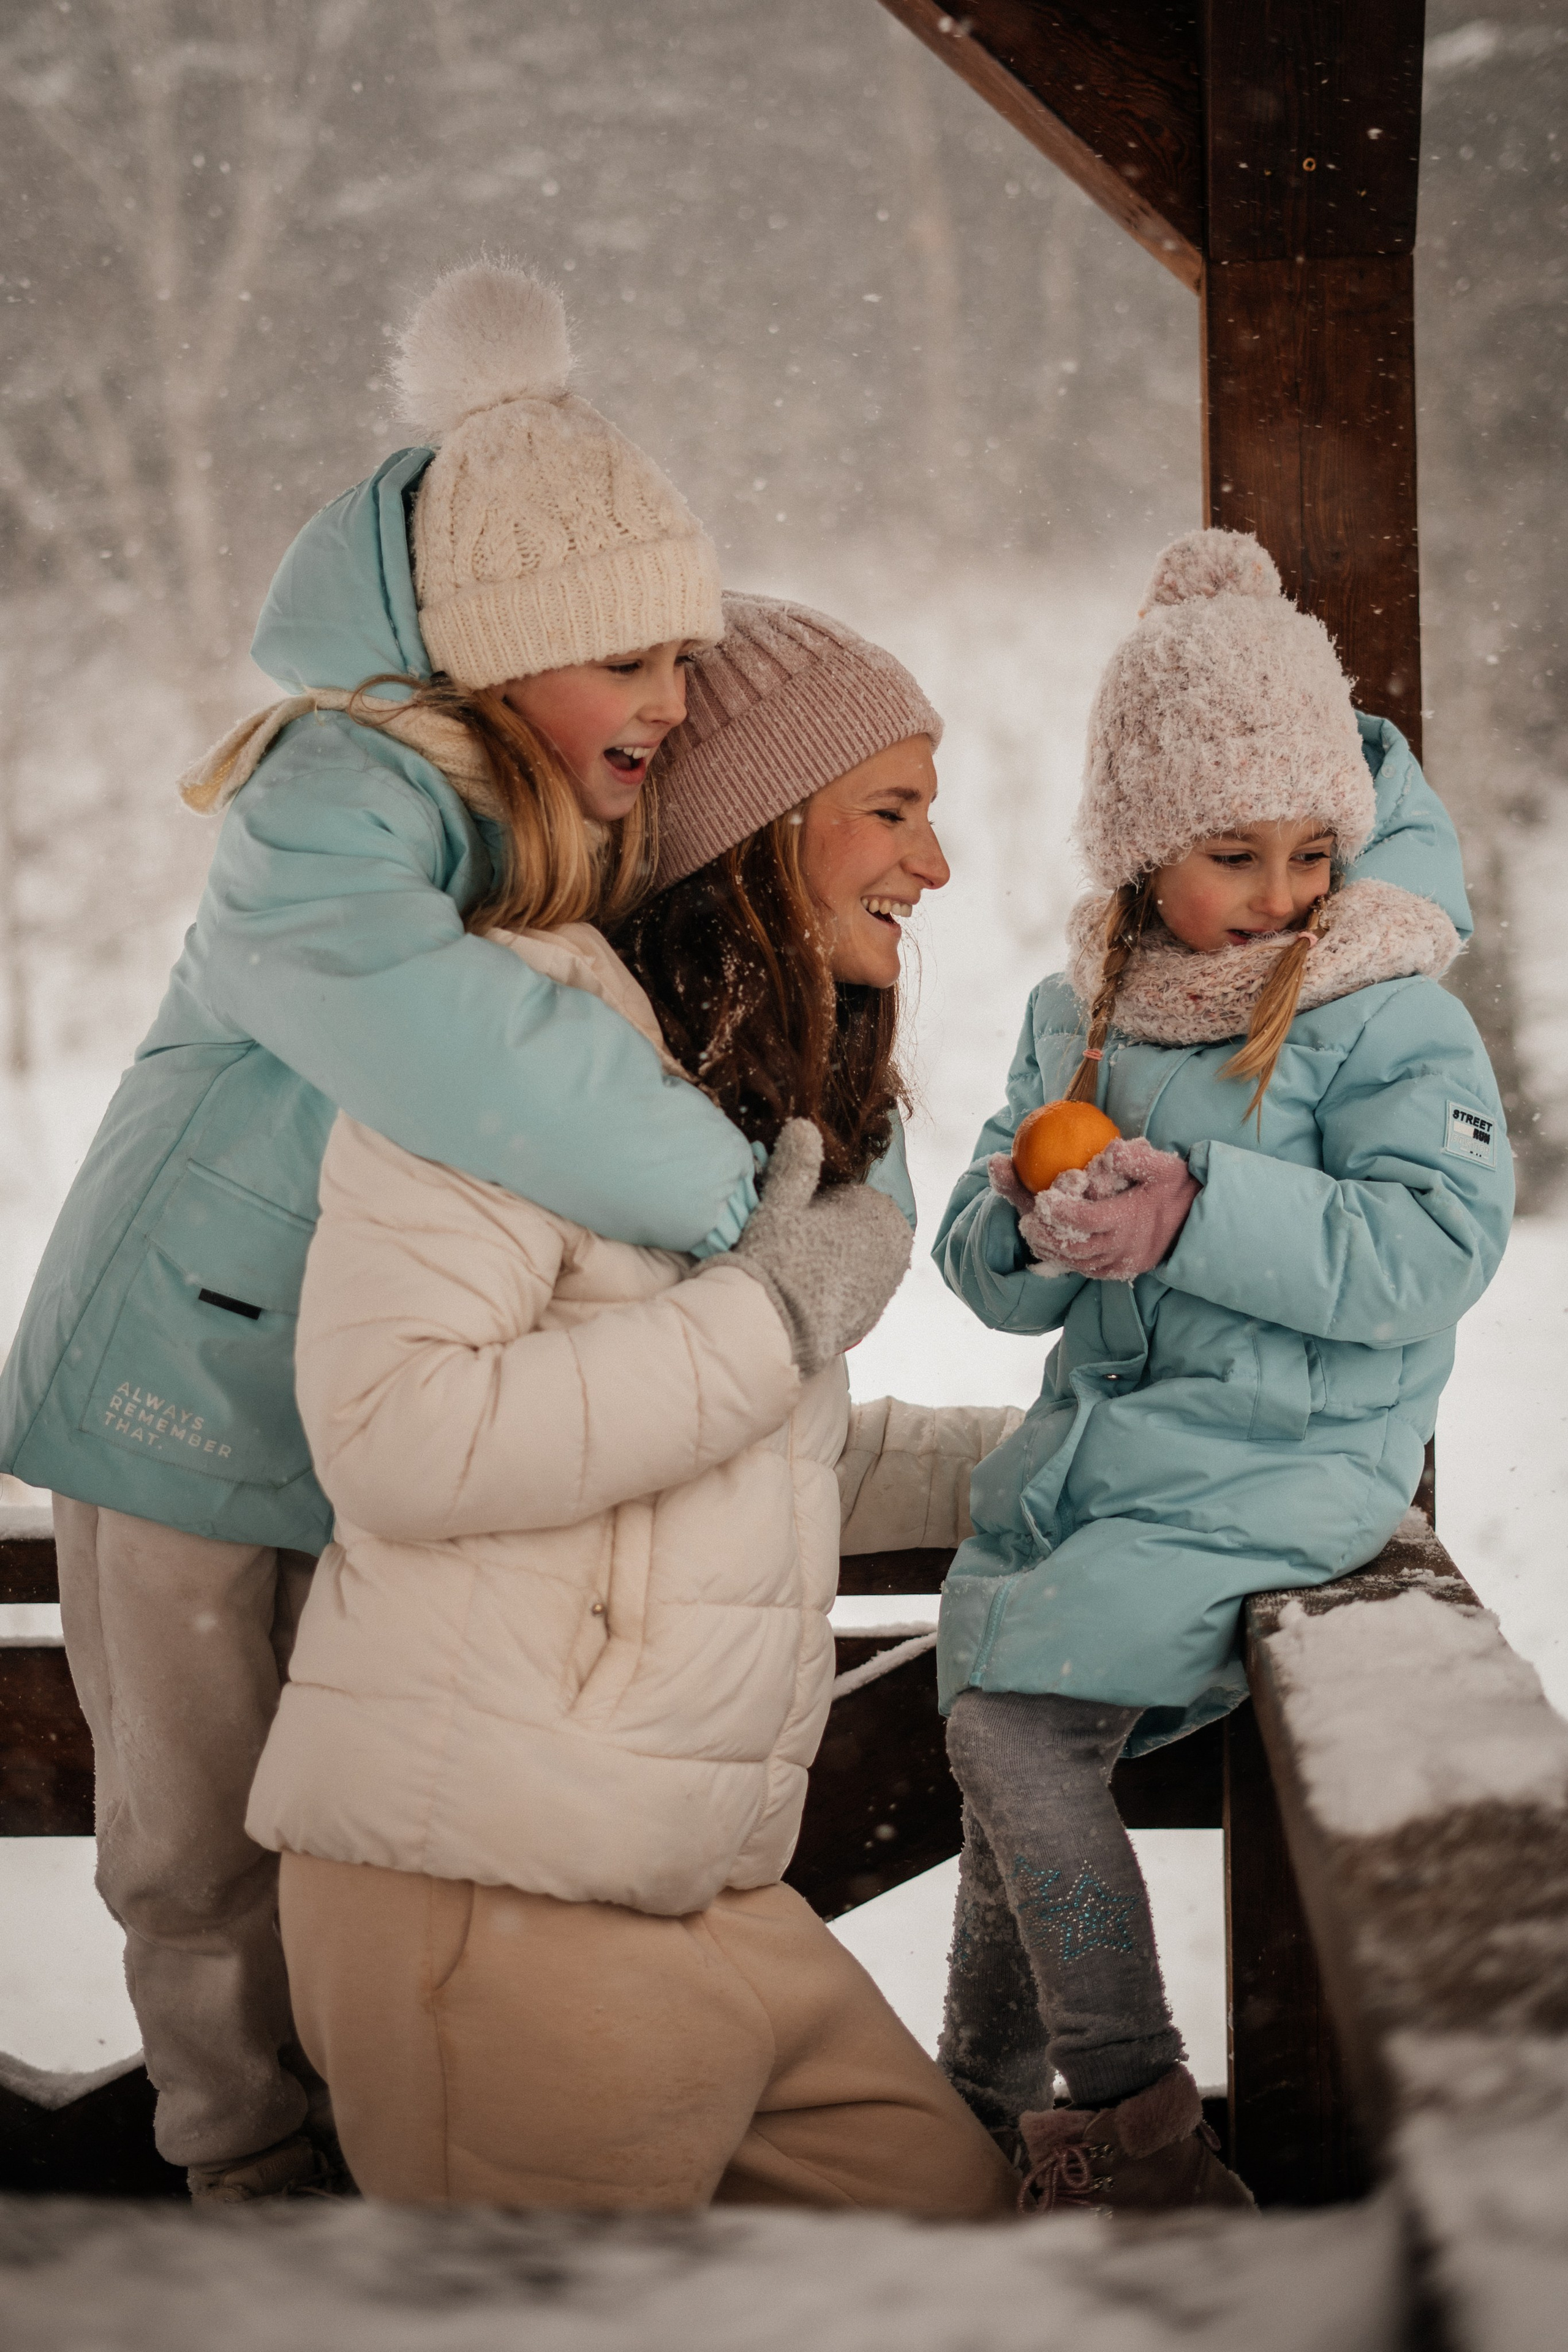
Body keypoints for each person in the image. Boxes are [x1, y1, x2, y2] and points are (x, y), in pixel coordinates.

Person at [0, 260, 772, 2200]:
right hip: (174, 1382)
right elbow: (461, 1049)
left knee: (350, 1814)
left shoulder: (560, 823)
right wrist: (724, 1196)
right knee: (188, 1836)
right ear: (504, 658)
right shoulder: (322, 811)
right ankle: (247, 2174)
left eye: (686, 659)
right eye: (632, 662)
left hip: (370, 1411)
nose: (672, 704)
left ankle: (385, 2153)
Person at [247, 594, 1023, 2218]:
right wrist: (772, 1313)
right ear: (745, 842)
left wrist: (1086, 1469)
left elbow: (751, 1449)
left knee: (960, 2240)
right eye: (889, 811)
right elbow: (396, 1436)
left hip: (697, 1897)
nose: (933, 867)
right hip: (484, 1887)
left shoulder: (730, 1126)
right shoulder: (505, 1059)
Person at [930, 529, 1512, 2215]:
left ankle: (1129, 2120)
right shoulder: (1086, 1010)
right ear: (1137, 852)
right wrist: (1033, 1231)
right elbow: (983, 1258)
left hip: (1279, 1467)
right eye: (1231, 852)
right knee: (1002, 1738)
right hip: (1109, 1477)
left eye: (1311, 846)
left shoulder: (1387, 1008)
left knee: (1013, 1730)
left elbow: (1427, 1253)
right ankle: (976, 2115)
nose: (1279, 890)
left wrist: (1199, 1210)